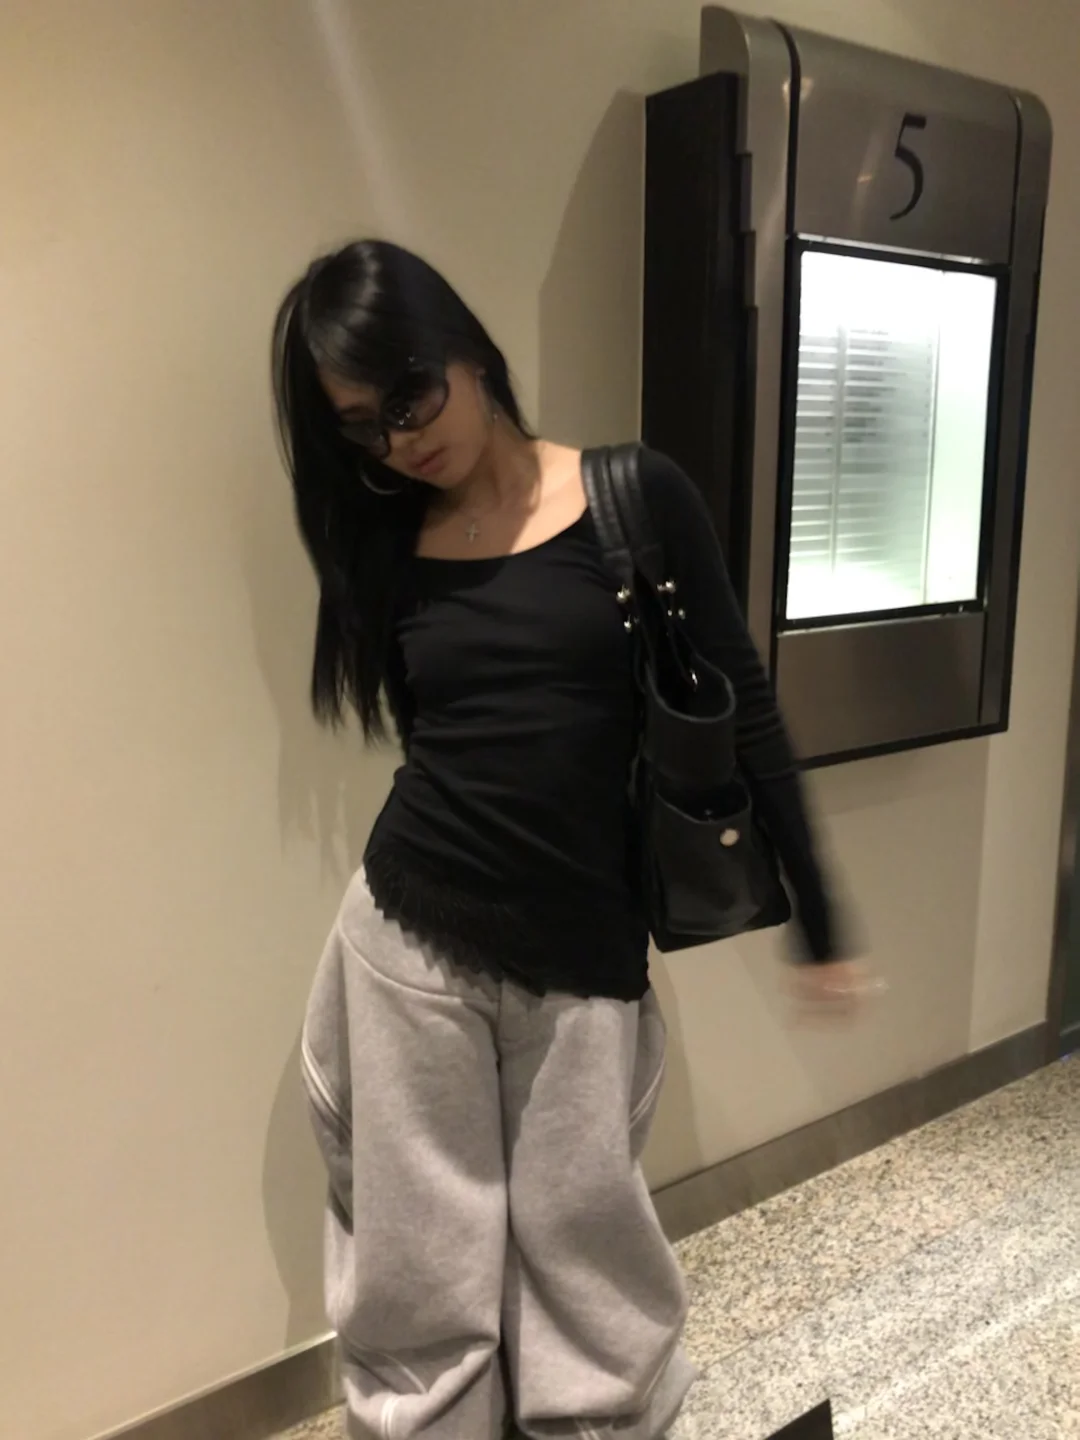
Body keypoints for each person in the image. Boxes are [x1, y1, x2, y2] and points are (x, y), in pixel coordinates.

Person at [271, 240, 862, 1440]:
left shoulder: (636, 495)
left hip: (584, 950)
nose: (398, 441)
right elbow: (433, 735)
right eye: (364, 427)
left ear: (466, 347)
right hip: (409, 946)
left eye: (409, 396)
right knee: (422, 1282)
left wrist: (821, 921)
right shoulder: (385, 541)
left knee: (587, 1267)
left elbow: (743, 707)